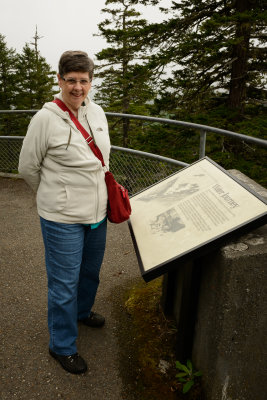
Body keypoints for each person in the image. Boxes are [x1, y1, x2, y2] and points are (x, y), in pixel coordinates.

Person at [18, 50, 111, 374]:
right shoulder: (45, 119)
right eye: (70, 80)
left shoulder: (97, 112)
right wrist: (55, 195)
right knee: (64, 283)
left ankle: (82, 312)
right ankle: (62, 345)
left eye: (83, 80)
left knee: (90, 273)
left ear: (90, 81)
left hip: (97, 213)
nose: (77, 87)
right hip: (62, 218)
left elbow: (103, 160)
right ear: (59, 80)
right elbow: (28, 167)